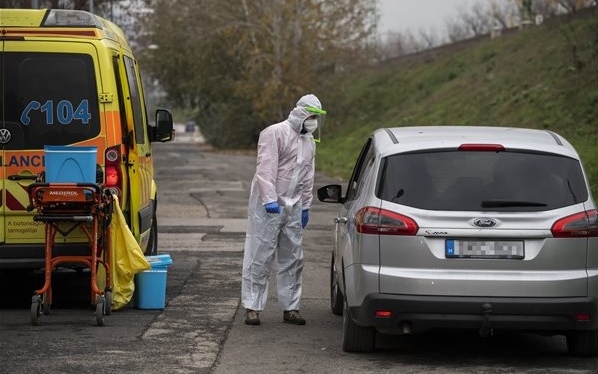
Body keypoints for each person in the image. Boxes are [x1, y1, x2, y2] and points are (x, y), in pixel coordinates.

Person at [241, 93, 327, 326]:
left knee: (293, 257)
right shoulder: (275, 133)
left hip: (294, 204)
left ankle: (291, 307)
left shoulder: (308, 141)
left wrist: (306, 205)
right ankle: (252, 306)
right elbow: (265, 168)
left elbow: (308, 175)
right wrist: (269, 199)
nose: (313, 121)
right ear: (300, 112)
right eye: (311, 115)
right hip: (268, 205)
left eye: (317, 117)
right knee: (260, 255)